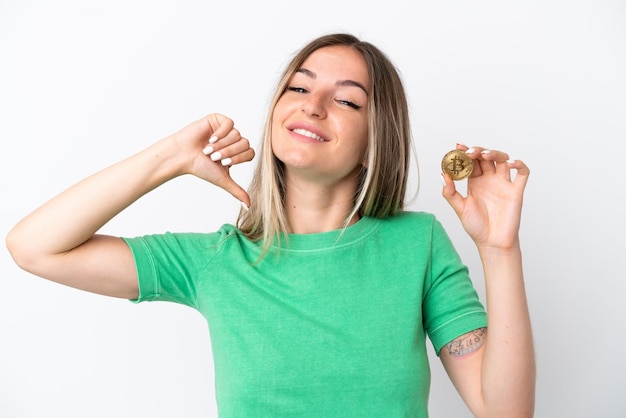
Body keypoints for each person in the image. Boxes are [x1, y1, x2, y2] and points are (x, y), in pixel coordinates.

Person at [6, 33, 535, 417]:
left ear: (379, 137)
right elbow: (34, 247)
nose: (315, 106)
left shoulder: (417, 243)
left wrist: (499, 249)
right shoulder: (216, 260)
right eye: (299, 89)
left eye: (348, 99)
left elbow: (504, 411)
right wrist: (171, 157)